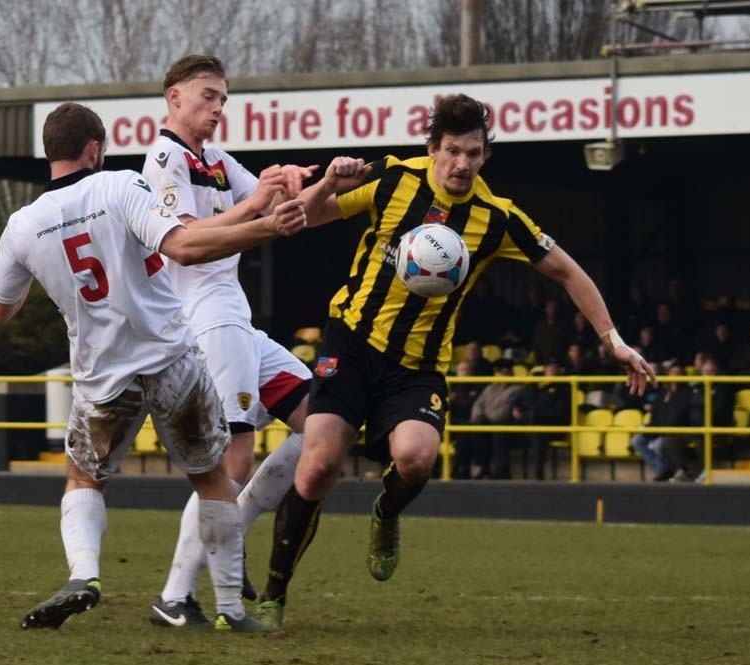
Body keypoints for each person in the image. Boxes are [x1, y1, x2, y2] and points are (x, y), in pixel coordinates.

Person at [254, 94, 657, 628]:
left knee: (418, 459)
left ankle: (386, 512)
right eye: (451, 151)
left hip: (416, 367)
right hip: (350, 342)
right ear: (432, 149)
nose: (461, 163)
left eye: (473, 152)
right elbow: (302, 217)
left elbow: (568, 272)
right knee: (319, 465)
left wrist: (613, 341)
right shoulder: (392, 178)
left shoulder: (497, 218)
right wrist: (330, 181)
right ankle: (273, 597)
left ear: (485, 155)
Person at [0, 101, 307, 632]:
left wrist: (37, 281)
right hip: (171, 358)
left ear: (49, 153)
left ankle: (84, 574)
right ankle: (230, 608)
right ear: (95, 149)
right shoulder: (119, 186)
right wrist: (268, 227)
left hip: (100, 375)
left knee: (85, 477)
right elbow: (183, 246)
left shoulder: (23, 225)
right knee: (212, 478)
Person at [140, 54, 316, 628]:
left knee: (325, 422)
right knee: (233, 458)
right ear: (174, 97)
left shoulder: (212, 159)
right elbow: (185, 237)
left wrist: (303, 183)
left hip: (236, 321)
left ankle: (222, 535)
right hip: (207, 320)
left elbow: (273, 204)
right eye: (208, 96)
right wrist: (258, 205)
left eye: (222, 99)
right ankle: (179, 595)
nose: (218, 108)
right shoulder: (166, 158)